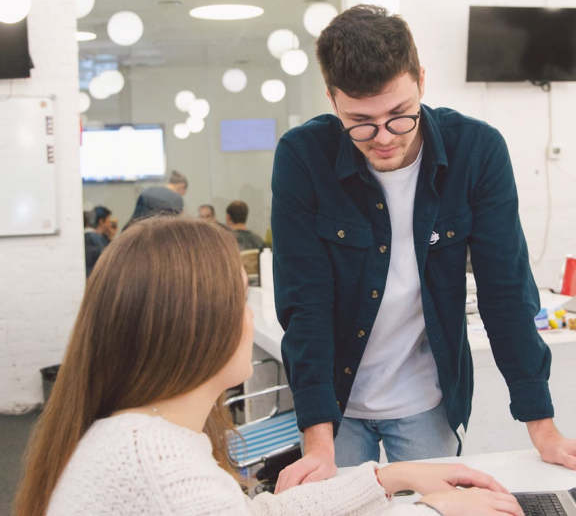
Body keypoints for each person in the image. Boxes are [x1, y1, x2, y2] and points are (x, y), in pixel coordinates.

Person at [271, 4, 576, 489]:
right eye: (360, 122)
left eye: (399, 115)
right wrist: (318, 440)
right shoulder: (302, 156)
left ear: (421, 79)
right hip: (334, 405)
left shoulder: (477, 151)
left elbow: (505, 291)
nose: (382, 138)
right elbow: (305, 303)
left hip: (426, 400)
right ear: (331, 98)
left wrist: (542, 428)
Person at [13, 218, 524, 516]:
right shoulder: (161, 467)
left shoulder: (140, 435)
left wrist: (393, 478)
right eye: (240, 299)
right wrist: (426, 508)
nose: (251, 315)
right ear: (196, 326)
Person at [84, 205, 111, 277]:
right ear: (101, 222)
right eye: (108, 221)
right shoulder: (96, 240)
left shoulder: (85, 238)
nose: (110, 225)